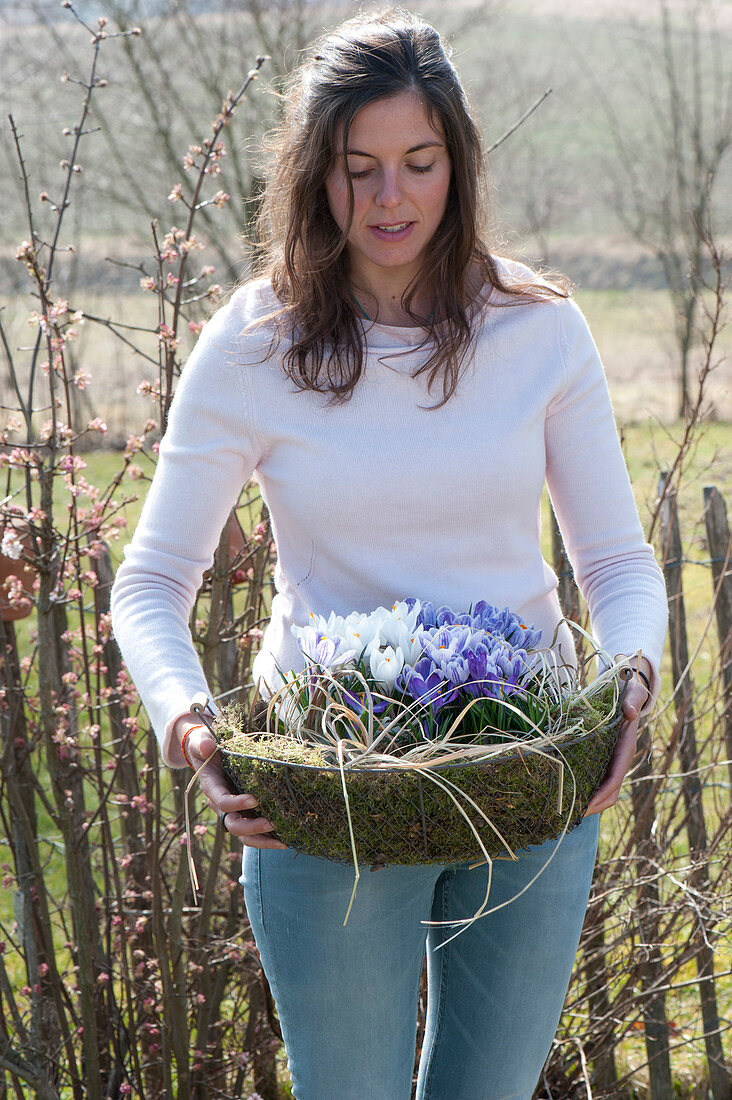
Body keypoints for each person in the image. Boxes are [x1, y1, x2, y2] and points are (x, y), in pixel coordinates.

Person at [111, 11, 668, 1099]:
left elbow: (615, 562)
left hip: (531, 778)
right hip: (323, 802)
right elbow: (149, 582)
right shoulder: (255, 342)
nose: (391, 200)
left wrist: (632, 678)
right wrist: (189, 724)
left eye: (419, 163)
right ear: (315, 176)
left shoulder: (539, 328)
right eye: (357, 169)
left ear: (458, 162)